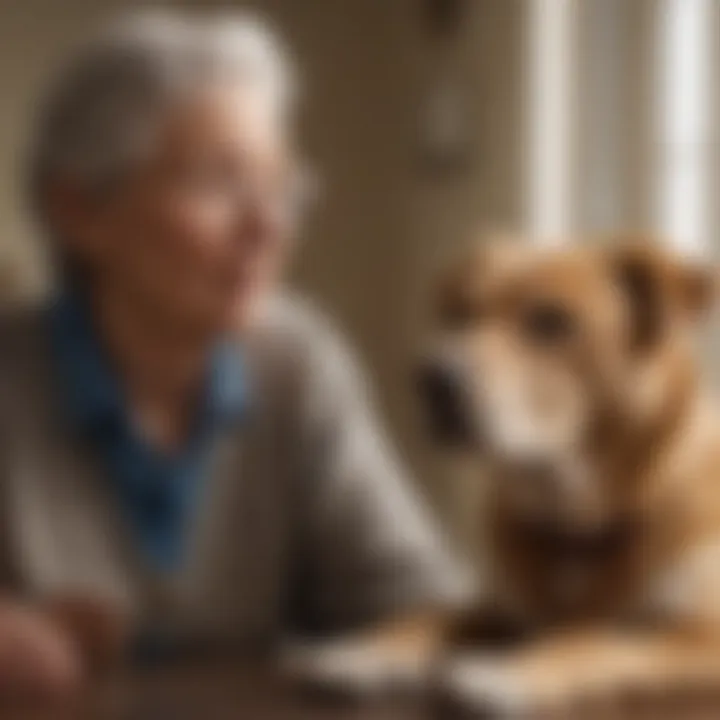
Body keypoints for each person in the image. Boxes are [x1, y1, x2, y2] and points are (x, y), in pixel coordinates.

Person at [0, 10, 467, 697]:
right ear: (77, 211)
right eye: (218, 183)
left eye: (281, 188)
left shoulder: (299, 365)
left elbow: (426, 606)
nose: (267, 227)